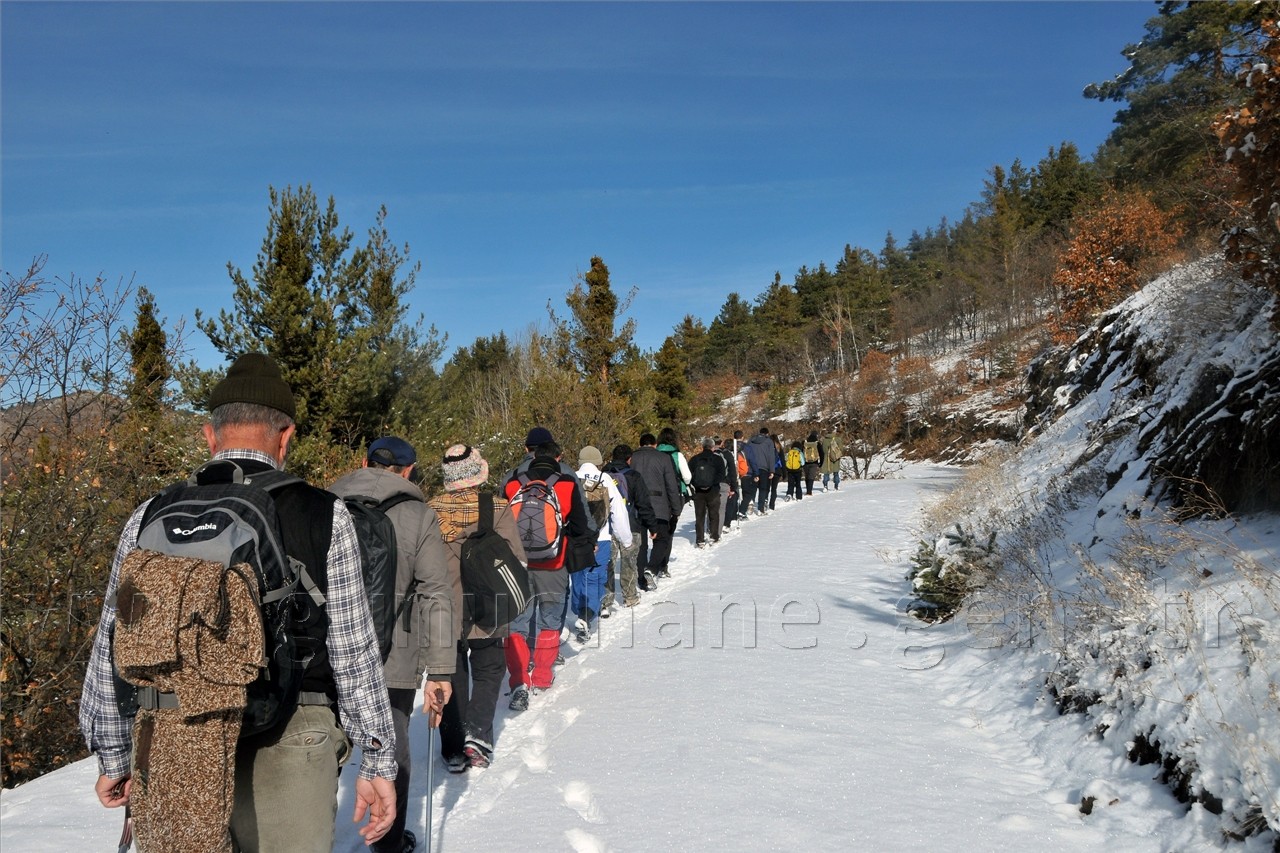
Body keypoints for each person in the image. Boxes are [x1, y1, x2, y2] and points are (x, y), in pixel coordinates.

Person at [79, 352, 401, 852]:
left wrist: (115, 753)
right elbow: (353, 650)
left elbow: (112, 646)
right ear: (286, 436)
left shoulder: (149, 514)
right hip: (289, 734)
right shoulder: (324, 513)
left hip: (169, 737)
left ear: (209, 436)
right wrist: (378, 759)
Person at [331, 435, 455, 850]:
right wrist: (439, 670)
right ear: (408, 471)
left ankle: (308, 830)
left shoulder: (322, 503)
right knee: (392, 745)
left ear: (364, 462)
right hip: (391, 656)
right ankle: (388, 842)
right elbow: (436, 592)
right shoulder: (418, 514)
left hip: (324, 655)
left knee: (321, 750)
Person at [428, 443, 526, 771]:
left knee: (450, 673)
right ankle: (477, 736)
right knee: (489, 667)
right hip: (487, 601)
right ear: (477, 472)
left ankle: (454, 750)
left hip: (443, 606)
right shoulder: (497, 507)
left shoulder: (428, 510)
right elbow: (517, 558)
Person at [501, 439, 590, 710]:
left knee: (517, 622)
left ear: (533, 455)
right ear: (558, 457)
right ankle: (541, 676)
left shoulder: (512, 482)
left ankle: (518, 681)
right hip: (554, 563)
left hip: (517, 564)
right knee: (549, 619)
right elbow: (580, 525)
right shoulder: (565, 482)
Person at [572, 445, 632, 641]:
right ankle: (587, 615)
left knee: (577, 576)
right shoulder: (605, 479)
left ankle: (579, 610)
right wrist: (626, 539)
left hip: (575, 538)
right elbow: (618, 511)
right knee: (596, 576)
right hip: (602, 538)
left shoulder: (570, 478)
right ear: (598, 461)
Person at [603, 444, 657, 607]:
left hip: (608, 527)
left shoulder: (603, 475)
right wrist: (652, 525)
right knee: (629, 562)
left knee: (608, 564)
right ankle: (630, 597)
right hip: (631, 525)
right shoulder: (634, 476)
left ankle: (606, 599)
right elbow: (643, 504)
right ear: (629, 459)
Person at [630, 432, 682, 580]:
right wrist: (676, 509)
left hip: (636, 505)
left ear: (640, 444)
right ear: (655, 445)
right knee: (661, 540)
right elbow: (671, 486)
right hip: (659, 505)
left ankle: (641, 577)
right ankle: (652, 568)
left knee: (641, 544)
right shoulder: (664, 458)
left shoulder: (632, 458)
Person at [688, 436, 725, 546]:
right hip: (713, 490)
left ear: (702, 447)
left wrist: (696, 484)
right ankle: (714, 536)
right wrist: (713, 483)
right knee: (714, 514)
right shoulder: (718, 459)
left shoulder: (694, 459)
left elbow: (689, 475)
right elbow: (722, 474)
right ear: (713, 447)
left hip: (698, 491)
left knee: (699, 516)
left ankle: (700, 539)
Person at [746, 427, 777, 515]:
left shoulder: (751, 440)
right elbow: (771, 456)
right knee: (763, 488)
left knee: (753, 487)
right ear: (767, 434)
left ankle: (750, 502)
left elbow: (746, 453)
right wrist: (772, 470)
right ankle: (760, 508)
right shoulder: (769, 441)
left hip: (752, 467)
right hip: (764, 468)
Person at [715, 435, 739, 533]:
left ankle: (711, 528)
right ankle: (724, 525)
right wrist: (733, 486)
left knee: (712, 507)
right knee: (723, 507)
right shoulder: (727, 454)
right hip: (725, 483)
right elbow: (732, 471)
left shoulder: (708, 453)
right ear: (721, 443)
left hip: (710, 484)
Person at [722, 430, 744, 529]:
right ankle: (729, 521)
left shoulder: (720, 454)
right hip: (729, 481)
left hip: (720, 482)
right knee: (732, 501)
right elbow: (738, 469)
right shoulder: (734, 455)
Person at [821, 426, 844, 491]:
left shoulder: (825, 440)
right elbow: (841, 449)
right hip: (836, 458)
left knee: (826, 473)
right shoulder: (838, 439)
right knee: (836, 472)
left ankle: (825, 486)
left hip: (827, 459)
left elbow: (824, 450)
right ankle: (836, 486)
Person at [803, 430, 824, 496]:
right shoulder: (817, 443)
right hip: (814, 462)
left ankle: (807, 490)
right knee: (811, 477)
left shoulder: (805, 443)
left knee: (807, 476)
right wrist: (821, 463)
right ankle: (809, 492)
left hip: (805, 462)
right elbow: (821, 453)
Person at [768, 432, 785, 510]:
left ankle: (764, 502)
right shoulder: (779, 447)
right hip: (777, 470)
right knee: (774, 489)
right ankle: (772, 504)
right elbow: (782, 460)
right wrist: (784, 472)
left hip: (768, 470)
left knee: (767, 487)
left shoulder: (767, 447)